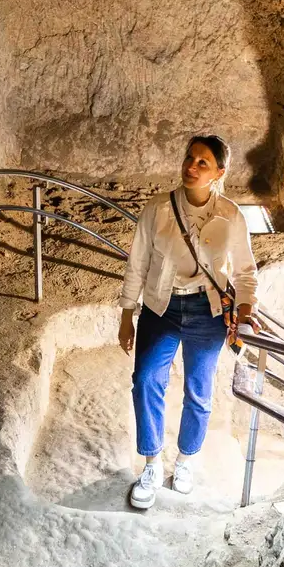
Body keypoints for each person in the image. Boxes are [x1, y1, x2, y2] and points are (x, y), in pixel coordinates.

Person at [116, 135, 260, 509]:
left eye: (202, 163)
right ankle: (151, 463)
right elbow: (137, 264)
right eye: (189, 158)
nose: (191, 167)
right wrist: (127, 314)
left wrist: (246, 311)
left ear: (219, 173)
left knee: (199, 390)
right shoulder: (157, 209)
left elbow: (245, 271)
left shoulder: (230, 215)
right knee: (146, 380)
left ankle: (185, 460)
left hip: (207, 312)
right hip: (160, 308)